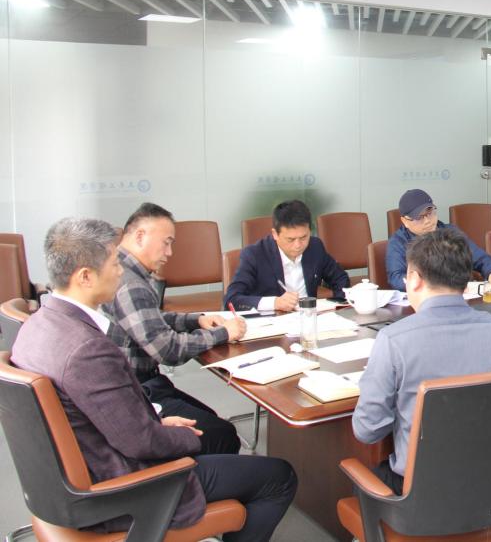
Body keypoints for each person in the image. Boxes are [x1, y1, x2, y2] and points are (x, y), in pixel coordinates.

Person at [11, 217, 296, 540]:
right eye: (113, 264)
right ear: (85, 276)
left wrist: (158, 423)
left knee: (217, 436)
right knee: (279, 476)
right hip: (123, 489)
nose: (120, 271)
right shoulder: (87, 350)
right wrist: (182, 437)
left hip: (76, 476)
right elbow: (140, 442)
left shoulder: (38, 324)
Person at [353, 228, 491, 494]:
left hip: (422, 493)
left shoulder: (394, 340)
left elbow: (367, 430)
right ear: (466, 280)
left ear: (414, 279)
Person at [104, 203, 245, 455]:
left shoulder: (119, 269)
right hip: (139, 391)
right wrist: (223, 333)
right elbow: (168, 350)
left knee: (213, 420)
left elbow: (148, 319)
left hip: (133, 383)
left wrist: (195, 320)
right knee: (223, 434)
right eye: (166, 243)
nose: (169, 253)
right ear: (140, 236)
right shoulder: (130, 284)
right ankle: (195, 477)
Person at [224, 199, 350, 311]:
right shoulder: (255, 255)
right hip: (272, 322)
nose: (298, 245)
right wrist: (275, 303)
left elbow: (340, 278)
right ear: (275, 234)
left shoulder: (315, 247)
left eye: (304, 237)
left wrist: (338, 305)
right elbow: (231, 299)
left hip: (309, 317)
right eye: (290, 239)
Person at [386, 189, 491, 292]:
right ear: (405, 221)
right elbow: (397, 279)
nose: (427, 221)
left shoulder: (450, 232)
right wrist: (438, 285)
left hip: (460, 296)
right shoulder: (398, 242)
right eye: (419, 217)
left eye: (430, 213)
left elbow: (481, 258)